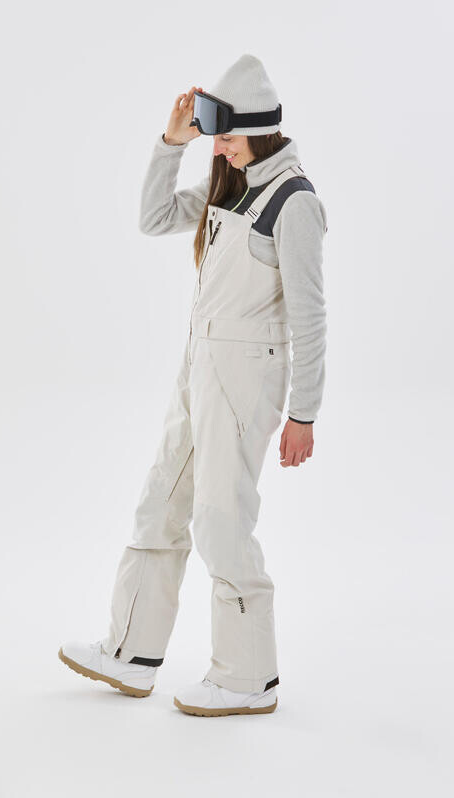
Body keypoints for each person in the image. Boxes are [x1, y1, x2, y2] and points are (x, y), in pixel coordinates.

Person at [59, 54, 328, 717]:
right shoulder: (228, 184)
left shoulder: (293, 201)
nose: (220, 146)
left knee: (220, 519)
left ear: (259, 129)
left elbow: (310, 315)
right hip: (199, 367)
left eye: (227, 135)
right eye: (215, 135)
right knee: (162, 501)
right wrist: (170, 143)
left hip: (246, 378)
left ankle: (247, 678)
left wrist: (304, 414)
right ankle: (130, 652)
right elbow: (154, 217)